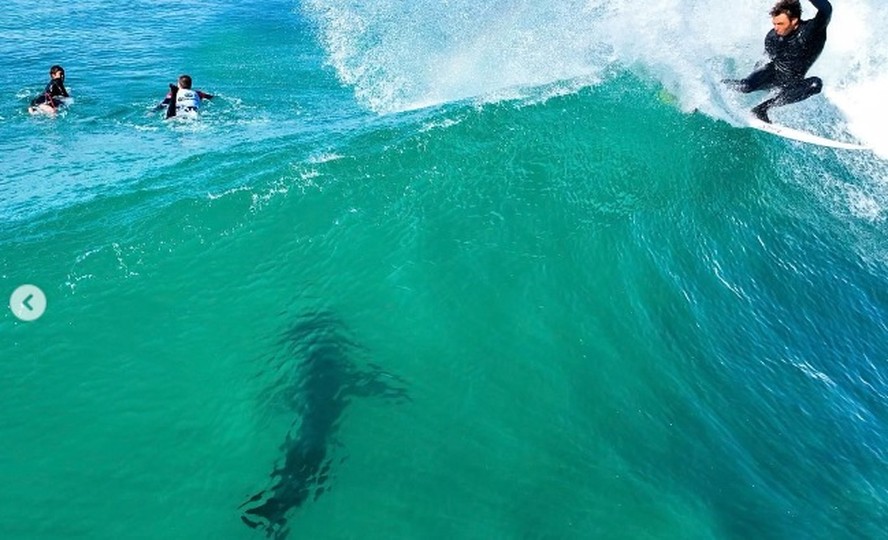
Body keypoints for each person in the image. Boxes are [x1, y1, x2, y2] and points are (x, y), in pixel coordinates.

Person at [723, 0, 832, 123]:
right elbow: (765, 60)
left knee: (815, 85)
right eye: (774, 24)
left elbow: (826, 9)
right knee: (745, 86)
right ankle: (719, 84)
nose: (776, 28)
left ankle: (761, 109)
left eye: (780, 23)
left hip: (793, 83)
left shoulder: (812, 31)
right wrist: (756, 79)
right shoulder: (772, 37)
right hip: (772, 73)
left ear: (794, 20)